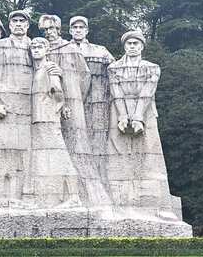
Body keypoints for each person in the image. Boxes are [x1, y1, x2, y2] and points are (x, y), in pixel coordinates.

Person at [39, 14, 112, 207]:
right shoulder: (41, 49)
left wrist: (75, 99)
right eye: (45, 30)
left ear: (59, 29)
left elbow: (84, 77)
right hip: (47, 105)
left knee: (77, 146)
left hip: (73, 103)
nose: (49, 33)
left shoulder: (70, 48)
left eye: (52, 29)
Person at [107, 31, 179, 220]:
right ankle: (121, 204)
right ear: (124, 46)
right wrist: (123, 116)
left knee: (150, 156)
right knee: (119, 157)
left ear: (141, 47)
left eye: (136, 43)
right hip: (119, 111)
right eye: (129, 43)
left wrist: (138, 117)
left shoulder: (152, 68)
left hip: (145, 112)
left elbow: (148, 92)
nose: (132, 46)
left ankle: (158, 205)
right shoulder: (113, 68)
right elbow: (116, 92)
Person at [0, 10, 36, 207]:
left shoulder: (35, 46)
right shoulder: (0, 46)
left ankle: (25, 194)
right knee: (1, 148)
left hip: (31, 105)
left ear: (28, 25)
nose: (19, 24)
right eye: (15, 21)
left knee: (27, 152)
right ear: (10, 25)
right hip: (7, 105)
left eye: (23, 21)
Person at [26, 37, 81, 208]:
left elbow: (57, 90)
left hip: (47, 118)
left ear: (46, 50)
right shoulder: (38, 69)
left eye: (39, 47)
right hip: (40, 118)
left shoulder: (49, 67)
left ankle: (74, 197)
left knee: (61, 156)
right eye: (33, 46)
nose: (36, 49)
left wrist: (58, 108)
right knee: (44, 158)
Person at [69, 16, 115, 192]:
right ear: (70, 30)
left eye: (82, 27)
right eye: (75, 27)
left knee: (97, 141)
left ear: (87, 30)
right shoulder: (63, 49)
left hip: (98, 103)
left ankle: (99, 181)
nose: (78, 30)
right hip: (73, 102)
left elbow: (115, 72)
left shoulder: (100, 51)